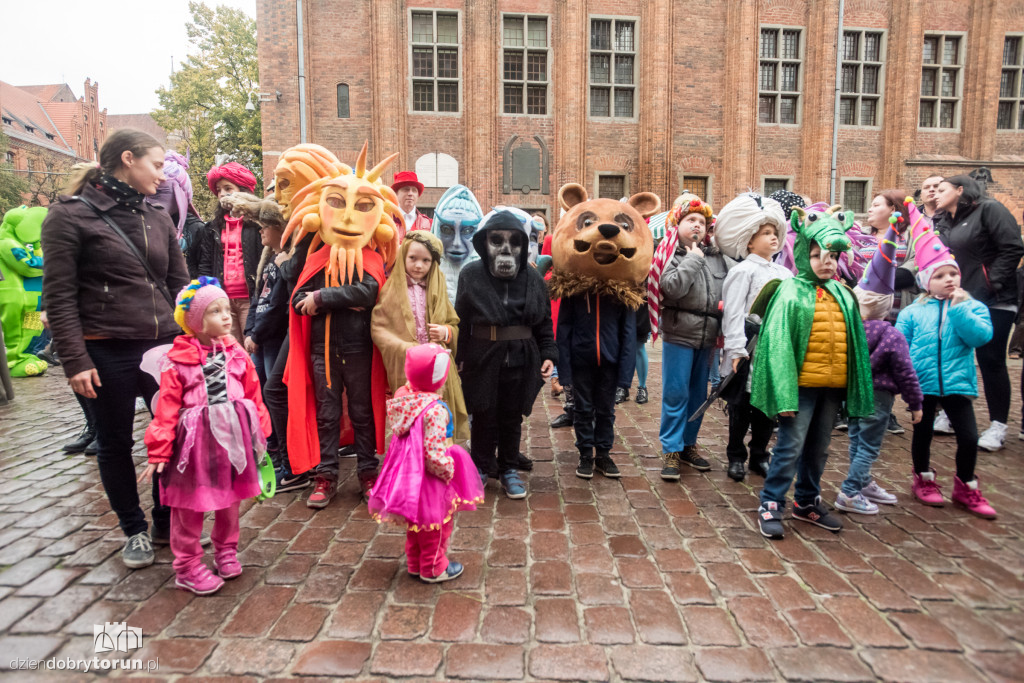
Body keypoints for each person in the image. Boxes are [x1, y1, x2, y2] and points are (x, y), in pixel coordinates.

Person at [41, 128, 190, 568]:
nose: (163, 176)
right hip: (105, 350)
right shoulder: (69, 216)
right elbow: (59, 297)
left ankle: (165, 517)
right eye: (157, 165)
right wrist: (75, 360)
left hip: (162, 347)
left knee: (174, 436)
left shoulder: (157, 217)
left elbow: (180, 288)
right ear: (128, 159)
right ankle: (134, 529)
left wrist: (199, 335)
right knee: (115, 443)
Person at [140, 277, 271, 595]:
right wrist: (159, 450)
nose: (226, 316)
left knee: (230, 501)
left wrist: (260, 434)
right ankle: (187, 566)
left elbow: (253, 393)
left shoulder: (237, 355)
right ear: (195, 321)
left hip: (231, 443)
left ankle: (226, 549)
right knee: (190, 506)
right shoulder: (178, 362)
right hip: (194, 447)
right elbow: (167, 409)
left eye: (227, 309)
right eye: (215, 311)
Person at [752, 207, 873, 539]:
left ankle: (807, 501)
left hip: (831, 388)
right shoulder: (788, 292)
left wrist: (853, 390)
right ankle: (771, 502)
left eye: (832, 256)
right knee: (790, 447)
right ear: (805, 253)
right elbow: (777, 346)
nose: (827, 262)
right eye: (818, 255)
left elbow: (855, 345)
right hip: (801, 389)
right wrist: (784, 394)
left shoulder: (843, 294)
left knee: (819, 448)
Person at [547, 185, 657, 479]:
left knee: (606, 411)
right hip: (581, 362)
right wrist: (564, 371)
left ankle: (603, 454)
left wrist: (625, 376)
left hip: (609, 364)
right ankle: (585, 453)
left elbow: (628, 338)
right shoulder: (573, 293)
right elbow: (564, 332)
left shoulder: (621, 295)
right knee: (582, 410)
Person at [897, 211, 996, 518]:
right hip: (923, 384)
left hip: (956, 382)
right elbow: (901, 345)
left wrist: (960, 310)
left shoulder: (971, 305)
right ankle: (923, 478)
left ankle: (966, 484)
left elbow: (981, 337)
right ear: (927, 282)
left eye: (952, 273)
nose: (949, 280)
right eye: (940, 276)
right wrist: (905, 378)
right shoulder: (914, 311)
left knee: (968, 437)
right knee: (922, 434)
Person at [456, 210, 557, 499]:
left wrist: (549, 352)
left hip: (521, 359)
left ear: (523, 246)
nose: (505, 248)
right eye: (496, 240)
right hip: (481, 357)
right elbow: (461, 320)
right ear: (484, 242)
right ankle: (480, 467)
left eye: (513, 242)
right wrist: (458, 357)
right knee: (484, 413)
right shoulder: (471, 275)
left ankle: (509, 468)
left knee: (512, 417)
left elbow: (543, 322)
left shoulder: (534, 279)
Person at [368, 343, 484, 582]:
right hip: (429, 476)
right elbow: (432, 452)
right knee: (437, 523)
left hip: (408, 471)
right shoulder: (434, 410)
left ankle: (415, 562)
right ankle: (434, 567)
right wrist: (448, 470)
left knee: (416, 521)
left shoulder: (403, 397)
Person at [838, 206, 923, 514]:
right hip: (880, 398)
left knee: (857, 441)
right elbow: (905, 372)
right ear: (887, 305)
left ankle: (863, 483)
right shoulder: (891, 334)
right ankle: (850, 491)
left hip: (854, 395)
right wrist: (915, 404)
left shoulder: (850, 329)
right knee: (870, 446)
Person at [933, 175, 1024, 451]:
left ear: (960, 190)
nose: (936, 193)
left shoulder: (990, 209)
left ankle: (998, 426)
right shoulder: (944, 220)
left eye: (942, 189)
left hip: (994, 299)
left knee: (991, 359)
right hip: (960, 298)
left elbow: (1013, 247)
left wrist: (991, 283)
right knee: (956, 355)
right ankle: (952, 413)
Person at [651, 199, 734, 479]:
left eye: (701, 222)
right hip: (679, 333)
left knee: (699, 394)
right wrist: (692, 259)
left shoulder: (719, 257)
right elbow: (671, 288)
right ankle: (671, 450)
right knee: (676, 393)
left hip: (708, 336)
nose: (697, 225)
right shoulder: (670, 255)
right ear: (678, 225)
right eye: (690, 220)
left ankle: (688, 444)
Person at [714, 193, 791, 482]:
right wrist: (735, 349)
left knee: (765, 407)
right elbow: (733, 313)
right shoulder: (742, 271)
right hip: (749, 347)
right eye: (766, 233)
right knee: (741, 407)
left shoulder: (784, 273)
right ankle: (736, 455)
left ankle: (760, 453)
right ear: (749, 240)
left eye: (775, 233)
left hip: (775, 350)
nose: (773, 238)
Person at [371, 230, 469, 441]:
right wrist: (405, 348)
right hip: (410, 369)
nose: (418, 266)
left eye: (426, 261)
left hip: (436, 369)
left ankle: (440, 452)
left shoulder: (438, 288)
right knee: (413, 416)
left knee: (438, 414)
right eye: (413, 259)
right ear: (403, 256)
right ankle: (413, 454)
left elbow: (453, 323)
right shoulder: (392, 291)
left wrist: (446, 332)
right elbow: (379, 327)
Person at [199, 162, 263, 340]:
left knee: (251, 354)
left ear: (243, 190)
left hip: (250, 299)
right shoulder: (213, 227)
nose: (222, 194)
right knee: (229, 352)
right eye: (219, 190)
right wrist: (206, 294)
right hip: (223, 300)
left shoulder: (256, 224)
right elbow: (206, 263)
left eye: (228, 188)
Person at [149, 150, 203, 279]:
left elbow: (203, 270)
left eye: (163, 192)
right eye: (153, 192)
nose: (155, 200)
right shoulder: (142, 222)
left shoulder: (196, 229)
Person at [392, 171, 432, 235]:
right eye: (406, 189)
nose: (410, 193)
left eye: (414, 190)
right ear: (396, 194)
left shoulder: (429, 223)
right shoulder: (386, 221)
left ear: (417, 195)